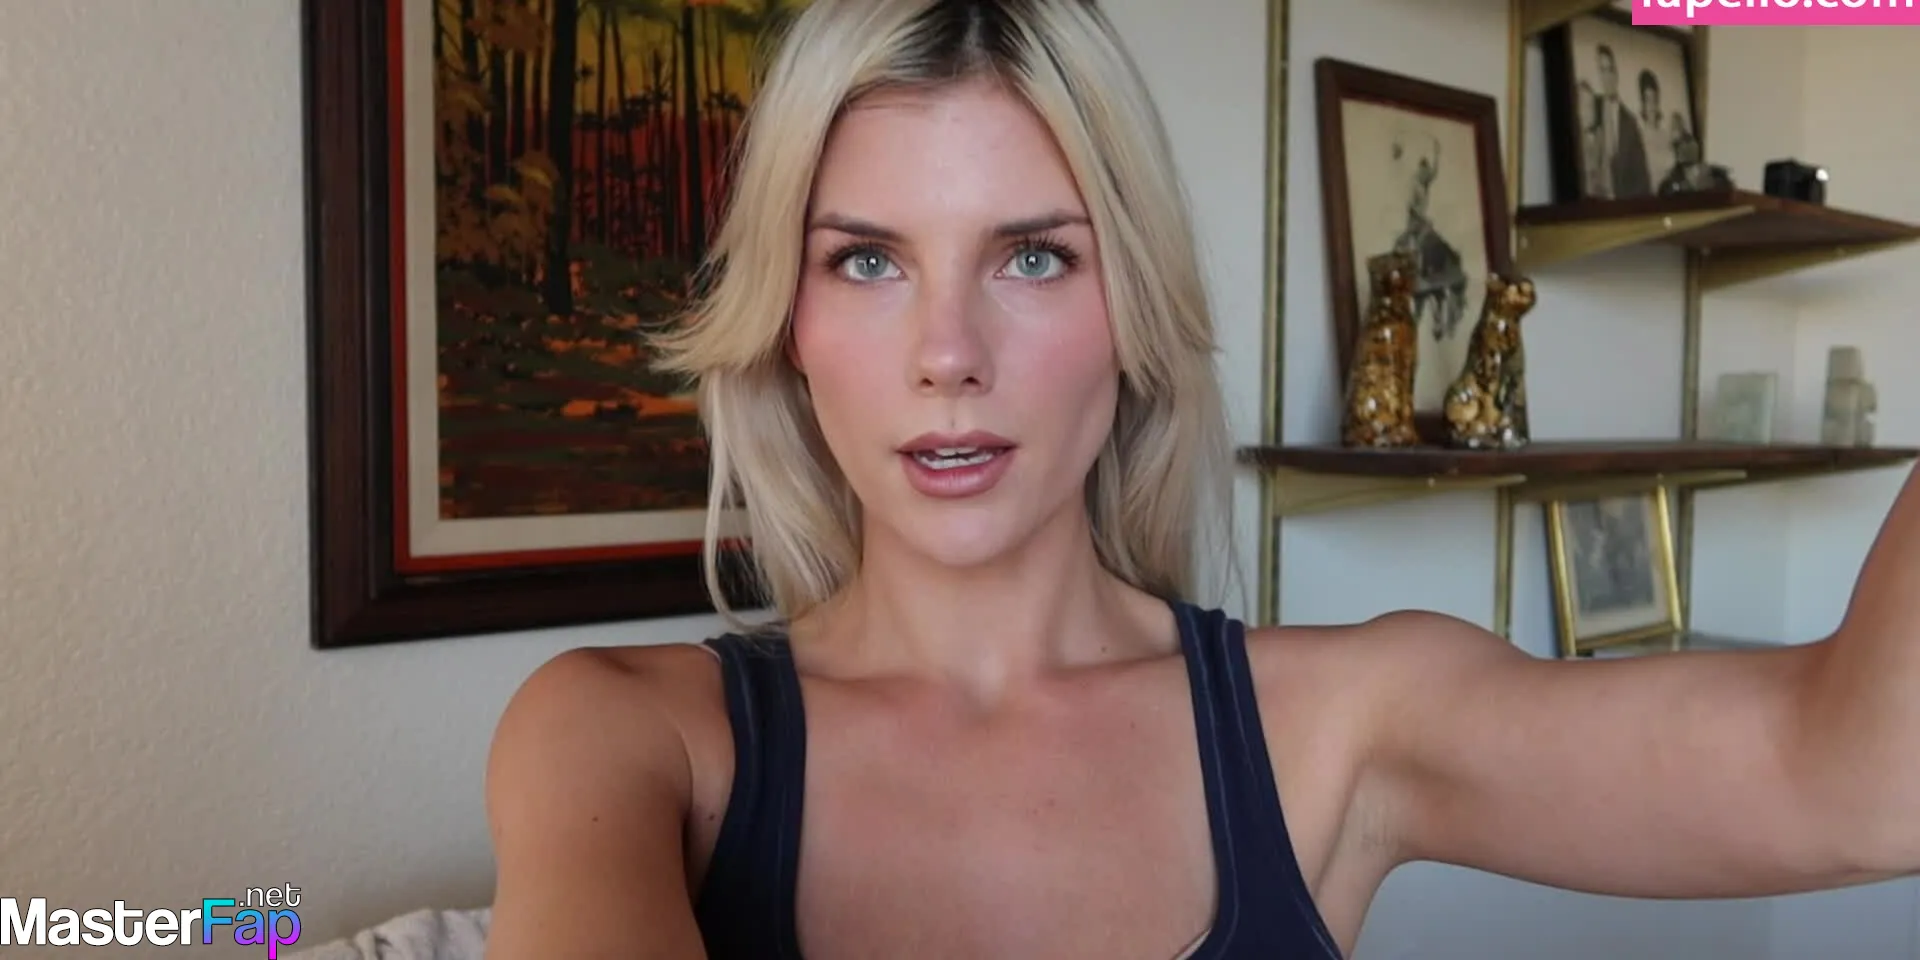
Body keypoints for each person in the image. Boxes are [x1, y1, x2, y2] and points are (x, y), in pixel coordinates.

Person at [482, 2, 1920, 958]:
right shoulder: (625, 742)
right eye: (867, 260)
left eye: (1032, 256)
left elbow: (1859, 782)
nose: (948, 354)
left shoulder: (1342, 725)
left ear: (1134, 306)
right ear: (789, 326)